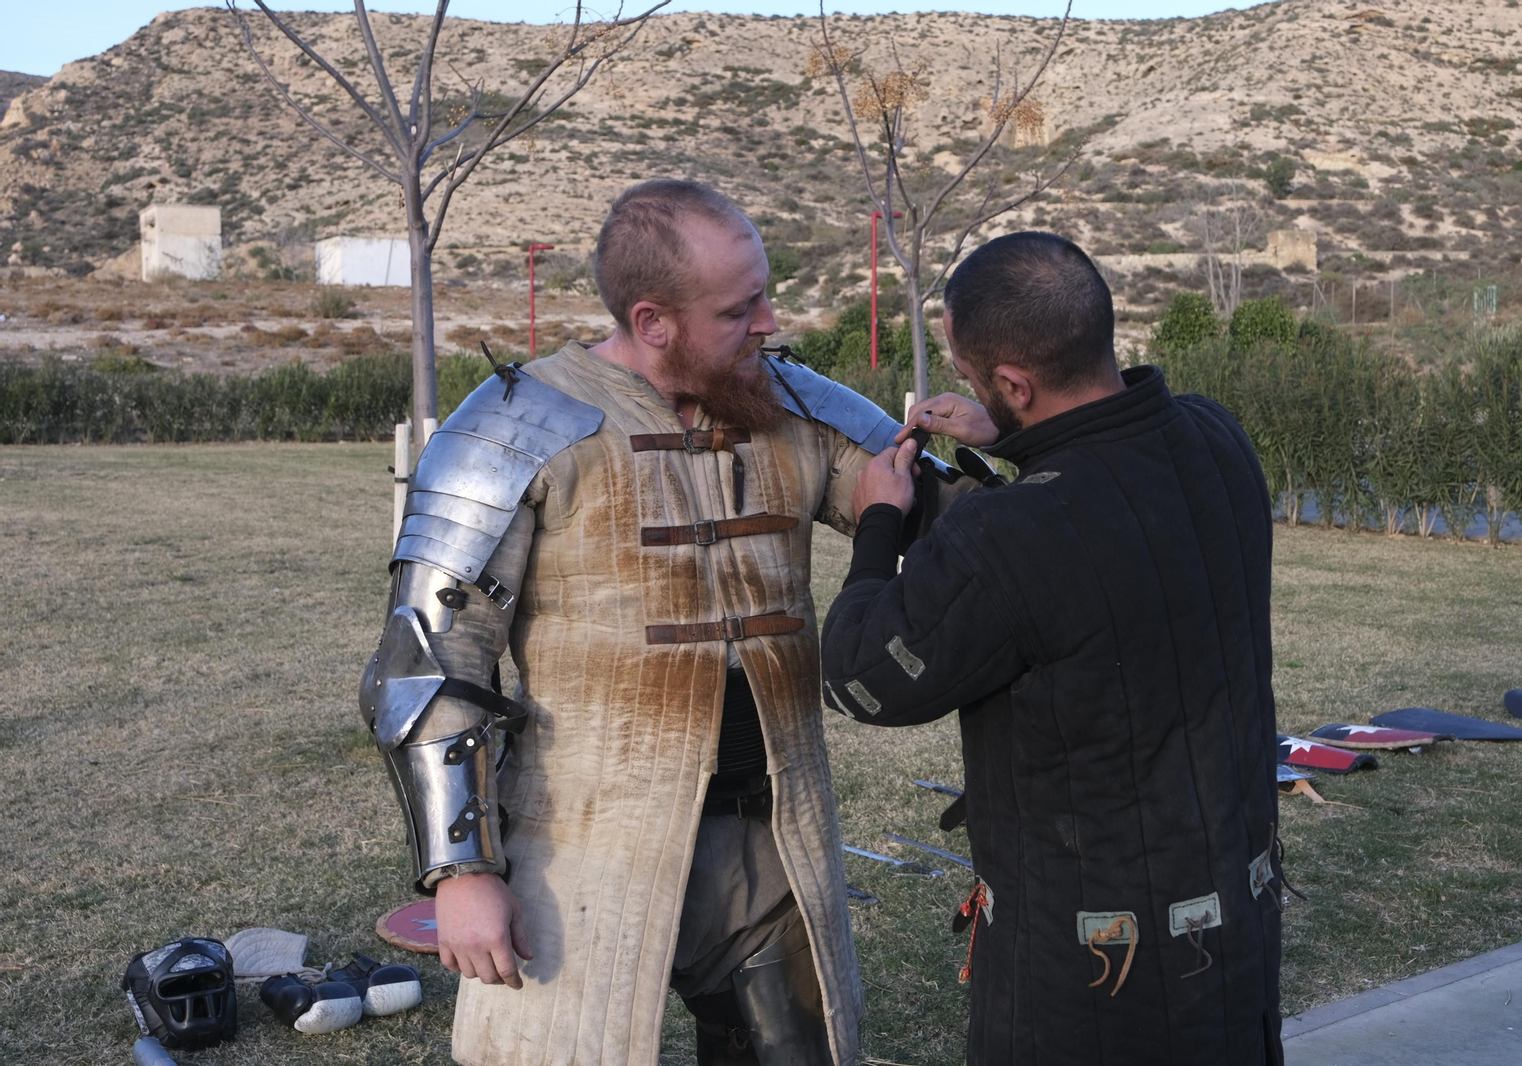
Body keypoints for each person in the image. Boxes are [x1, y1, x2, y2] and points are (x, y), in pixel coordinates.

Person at [358, 179, 973, 1066]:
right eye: (738, 308)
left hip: (773, 842)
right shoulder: (515, 426)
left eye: (762, 293)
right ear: (653, 322)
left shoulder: (795, 407)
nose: (768, 321)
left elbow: (970, 536)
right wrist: (462, 873)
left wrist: (1013, 439)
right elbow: (425, 659)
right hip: (587, 844)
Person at [819, 231, 1284, 1065]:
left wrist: (879, 521)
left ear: (1013, 382)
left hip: (1089, 974)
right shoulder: (1218, 441)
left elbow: (862, 676)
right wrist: (1011, 437)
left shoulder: (1010, 537)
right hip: (1231, 931)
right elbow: (1109, 501)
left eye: (971, 377)